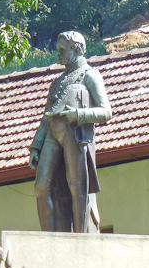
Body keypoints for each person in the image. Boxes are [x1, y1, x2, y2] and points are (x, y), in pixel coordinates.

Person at [28, 31, 112, 233]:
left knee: (77, 187)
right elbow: (45, 118)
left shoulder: (89, 75)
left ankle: (81, 235)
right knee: (41, 186)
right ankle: (48, 235)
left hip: (75, 134)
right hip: (52, 133)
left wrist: (79, 115)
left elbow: (106, 112)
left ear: (77, 49)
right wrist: (36, 146)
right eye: (58, 49)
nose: (58, 53)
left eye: (62, 49)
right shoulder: (57, 82)